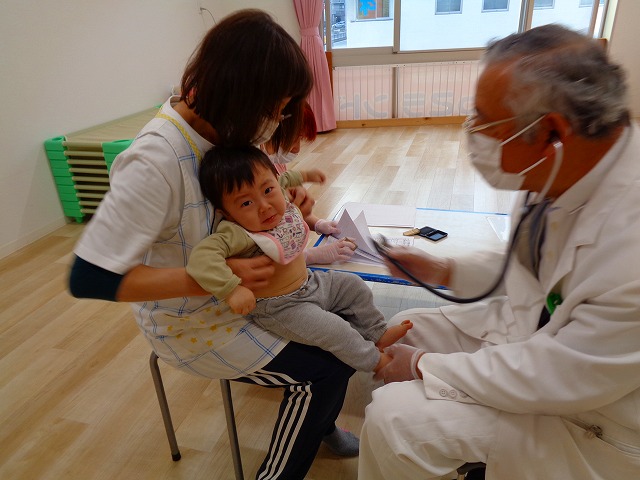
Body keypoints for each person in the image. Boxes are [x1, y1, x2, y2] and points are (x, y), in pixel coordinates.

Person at [68, 9, 359, 479]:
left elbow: (252, 194)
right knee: (327, 366)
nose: (277, 121)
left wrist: (284, 201)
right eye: (275, 109)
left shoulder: (227, 130)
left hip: (261, 295)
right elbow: (89, 278)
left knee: (345, 322)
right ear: (239, 95)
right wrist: (217, 280)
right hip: (196, 323)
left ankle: (318, 420)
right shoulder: (154, 162)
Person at [359, 24, 640, 480]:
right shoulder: (558, 167)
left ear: (552, 131)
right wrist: (443, 269)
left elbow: (562, 374)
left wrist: (427, 368)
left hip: (593, 411)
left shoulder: (632, 245)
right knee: (405, 328)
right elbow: (533, 265)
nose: (474, 134)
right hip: (536, 337)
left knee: (394, 420)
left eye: (486, 123)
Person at [186, 145, 413, 373]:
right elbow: (202, 258)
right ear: (225, 213)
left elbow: (285, 179)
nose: (264, 206)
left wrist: (306, 176)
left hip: (312, 282)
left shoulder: (279, 193)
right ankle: (377, 362)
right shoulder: (236, 233)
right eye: (246, 203)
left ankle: (377, 332)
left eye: (268, 190)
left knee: (354, 285)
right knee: (335, 330)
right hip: (281, 308)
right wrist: (232, 290)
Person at [263, 102, 356, 266]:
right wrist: (308, 256)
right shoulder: (255, 171)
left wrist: (318, 224)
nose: (296, 148)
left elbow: (292, 211)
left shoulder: (277, 164)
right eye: (296, 137)